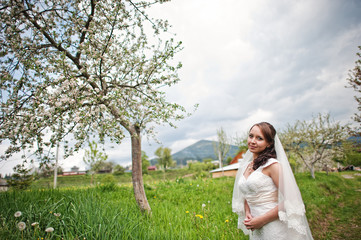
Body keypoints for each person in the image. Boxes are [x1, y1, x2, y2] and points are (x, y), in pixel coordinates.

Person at [232, 122, 313, 240]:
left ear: (269, 143)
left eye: (259, 138)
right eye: (251, 136)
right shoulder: (247, 166)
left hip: (273, 226)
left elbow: (291, 199)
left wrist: (262, 220)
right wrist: (247, 211)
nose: (253, 141)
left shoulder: (273, 166)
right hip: (255, 225)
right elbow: (247, 192)